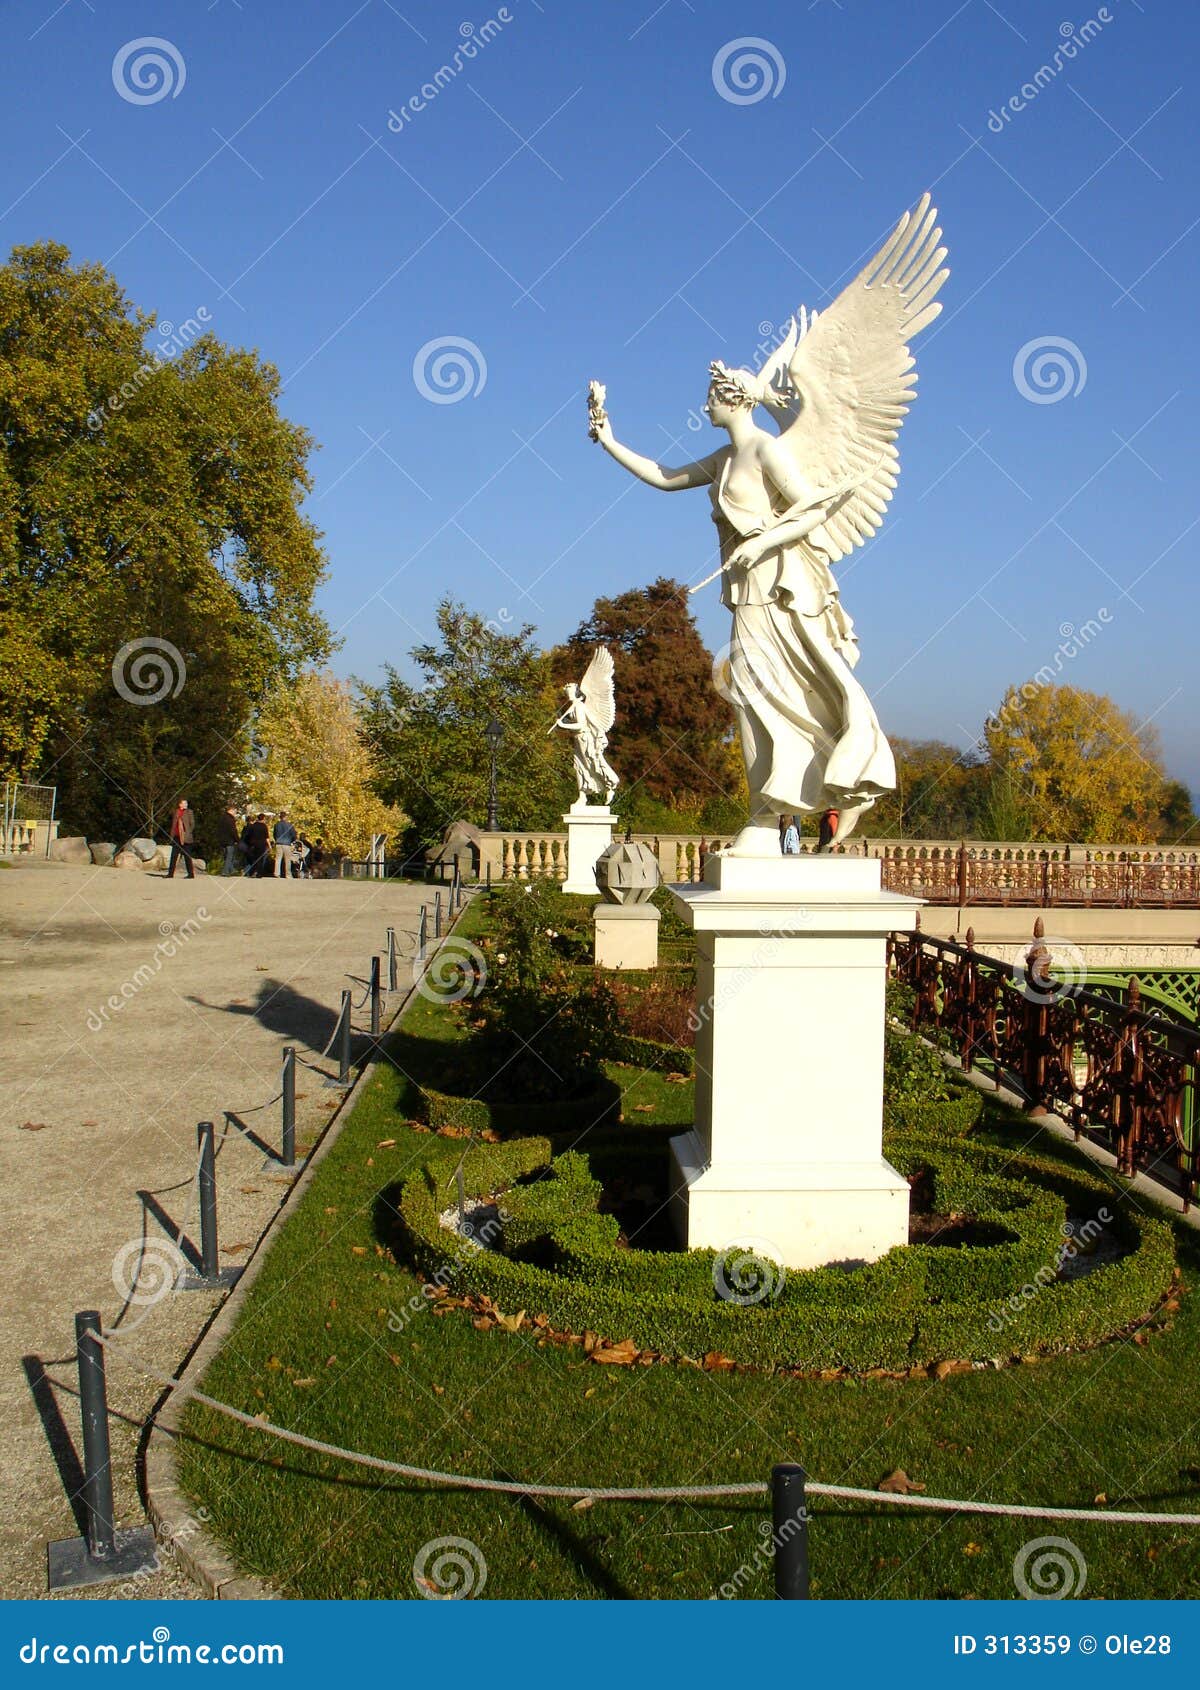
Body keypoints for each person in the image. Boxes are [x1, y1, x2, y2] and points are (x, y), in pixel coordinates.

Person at [167, 800, 196, 879]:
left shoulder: (189, 812)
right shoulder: (176, 812)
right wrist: (172, 835)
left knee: (187, 855)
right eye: (184, 803)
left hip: (186, 837)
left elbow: (192, 824)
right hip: (176, 836)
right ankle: (170, 873)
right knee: (174, 855)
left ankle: (191, 874)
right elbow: (173, 824)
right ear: (180, 804)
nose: (186, 804)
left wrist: (187, 832)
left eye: (186, 803)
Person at [217, 805, 242, 876]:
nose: (235, 813)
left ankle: (232, 870)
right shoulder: (230, 819)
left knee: (226, 856)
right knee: (229, 856)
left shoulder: (222, 818)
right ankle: (225, 871)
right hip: (229, 840)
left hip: (222, 840)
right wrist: (237, 840)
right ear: (231, 810)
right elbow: (233, 831)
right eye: (235, 811)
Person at [244, 813, 271, 877]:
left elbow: (248, 835)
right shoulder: (264, 826)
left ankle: (252, 872)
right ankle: (259, 873)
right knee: (260, 859)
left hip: (253, 844)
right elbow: (267, 837)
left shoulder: (253, 826)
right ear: (263, 819)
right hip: (261, 844)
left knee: (254, 858)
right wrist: (269, 846)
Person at [273, 810, 297, 878]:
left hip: (278, 843)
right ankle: (288, 874)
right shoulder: (289, 825)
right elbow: (294, 835)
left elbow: (274, 834)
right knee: (287, 860)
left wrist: (276, 840)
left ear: (280, 817)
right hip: (287, 844)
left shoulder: (276, 825)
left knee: (278, 859)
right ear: (285, 817)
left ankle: (277, 873)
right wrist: (292, 841)